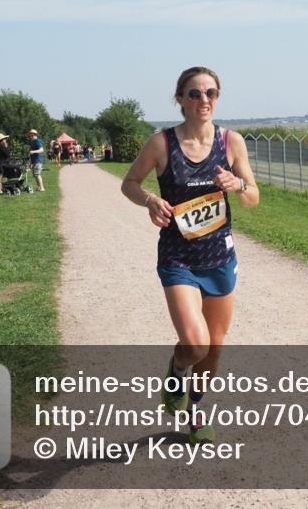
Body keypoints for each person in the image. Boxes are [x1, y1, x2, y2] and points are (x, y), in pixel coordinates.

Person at [121, 66, 258, 446]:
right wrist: (150, 200)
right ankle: (178, 368)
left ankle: (196, 411)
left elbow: (253, 197)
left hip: (219, 258)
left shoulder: (231, 142)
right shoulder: (161, 144)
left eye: (211, 93)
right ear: (179, 99)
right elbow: (129, 183)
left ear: (218, 97)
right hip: (178, 258)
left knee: (213, 348)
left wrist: (239, 183)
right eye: (194, 94)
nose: (204, 101)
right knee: (194, 344)